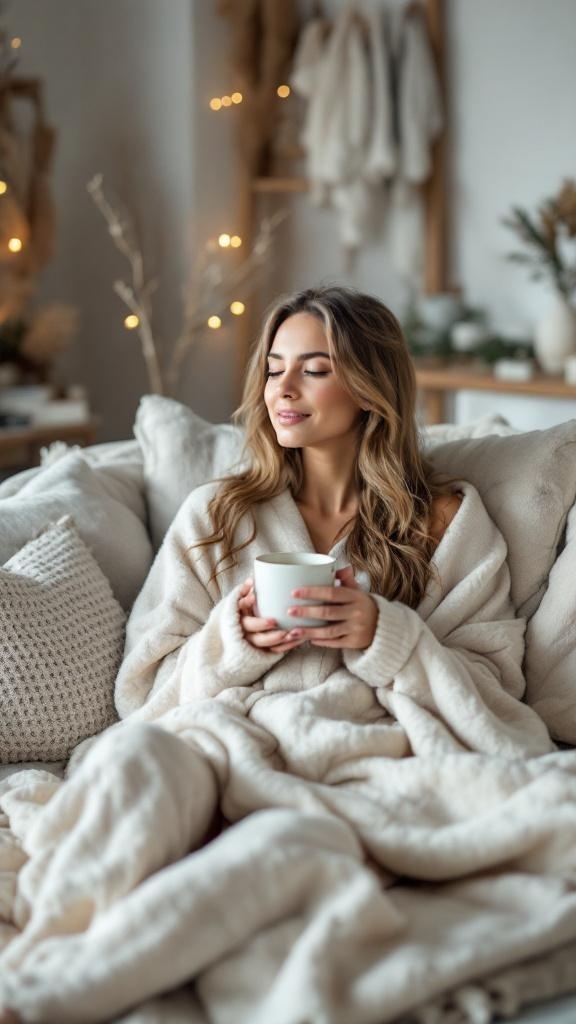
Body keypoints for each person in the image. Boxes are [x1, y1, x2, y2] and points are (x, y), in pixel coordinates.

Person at [0, 286, 553, 1023]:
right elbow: (142, 694)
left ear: (371, 386)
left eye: (315, 369)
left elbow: (494, 697)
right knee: (136, 761)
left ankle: (43, 998)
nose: (283, 389)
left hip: (346, 763)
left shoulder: (446, 520)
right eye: (274, 368)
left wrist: (385, 636)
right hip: (214, 738)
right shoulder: (217, 514)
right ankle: (42, 952)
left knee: (285, 845)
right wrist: (231, 643)